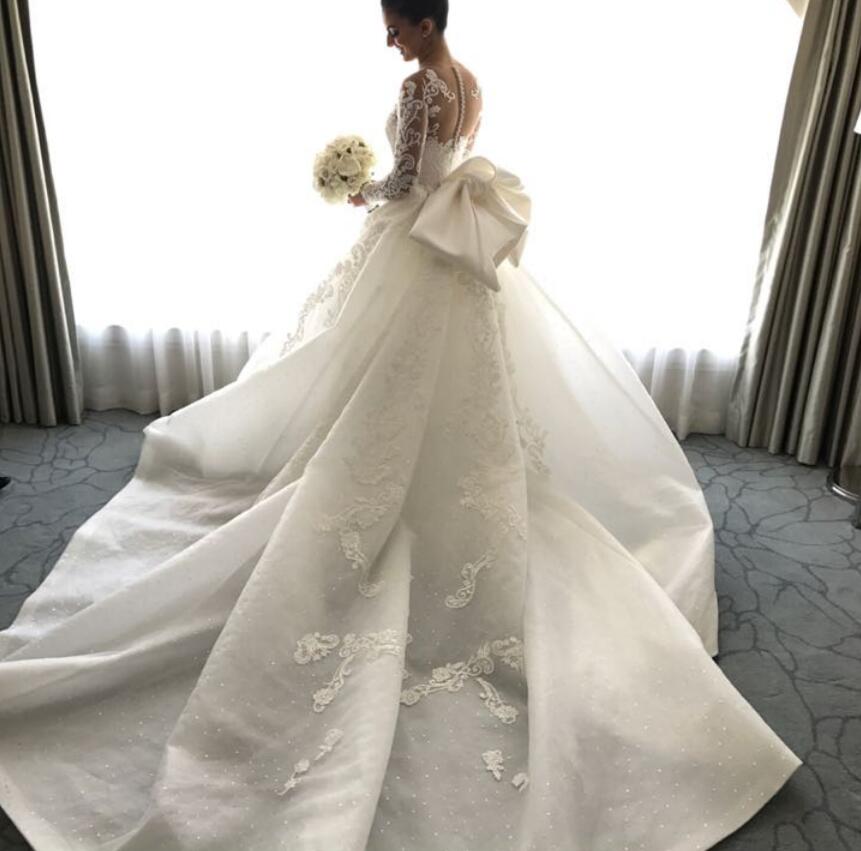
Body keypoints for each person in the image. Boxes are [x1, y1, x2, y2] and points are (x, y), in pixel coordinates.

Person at [0, 1, 801, 849]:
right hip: (455, 260)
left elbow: (409, 178)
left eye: (395, 25)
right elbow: (448, 164)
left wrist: (357, 189)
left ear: (424, 21)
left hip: (416, 247)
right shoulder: (469, 78)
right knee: (449, 389)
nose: (388, 39)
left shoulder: (422, 86)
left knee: (381, 376)